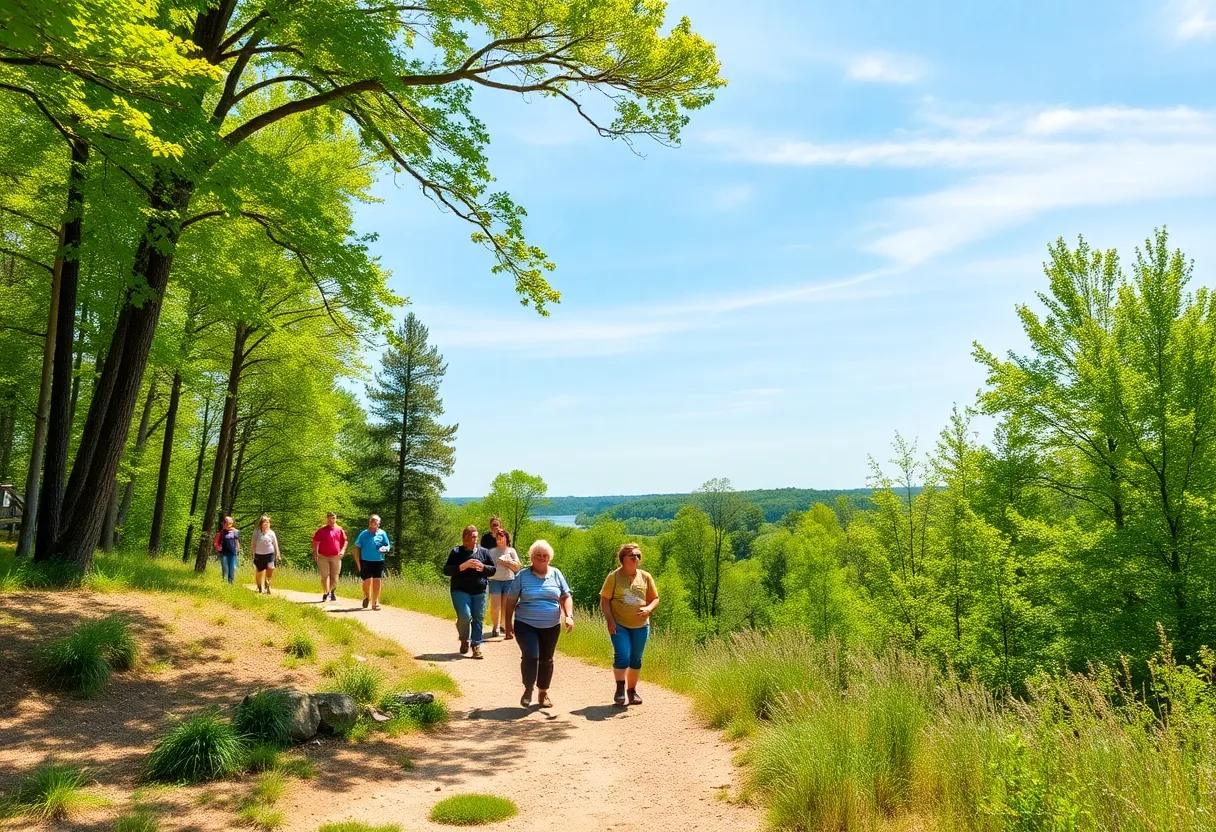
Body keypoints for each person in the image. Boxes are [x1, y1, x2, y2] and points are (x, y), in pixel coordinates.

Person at [505, 540, 574, 709]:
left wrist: (569, 616)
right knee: (531, 655)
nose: (542, 558)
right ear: (532, 558)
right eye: (538, 555)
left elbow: (566, 596)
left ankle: (543, 693)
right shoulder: (522, 575)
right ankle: (528, 688)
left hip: (551, 626)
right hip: (525, 623)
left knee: (547, 659)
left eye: (545, 556)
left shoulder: (556, 574)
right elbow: (511, 600)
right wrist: (507, 622)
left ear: (549, 558)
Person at [600, 542, 659, 706]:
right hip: (619, 624)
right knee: (623, 655)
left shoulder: (645, 576)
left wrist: (648, 608)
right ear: (623, 559)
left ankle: (632, 692)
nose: (636, 558)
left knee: (636, 659)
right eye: (632, 555)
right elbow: (604, 600)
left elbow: (655, 598)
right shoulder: (614, 577)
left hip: (641, 626)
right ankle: (620, 689)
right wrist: (610, 621)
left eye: (638, 556)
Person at [442, 525, 497, 658]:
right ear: (465, 538)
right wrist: (462, 566)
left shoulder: (484, 552)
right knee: (465, 616)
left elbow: (493, 569)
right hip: (460, 590)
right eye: (473, 537)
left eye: (476, 537)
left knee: (478, 617)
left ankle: (476, 645)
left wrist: (483, 567)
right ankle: (464, 639)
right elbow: (446, 570)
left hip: (480, 590)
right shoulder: (456, 552)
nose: (475, 540)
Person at [486, 528, 521, 638]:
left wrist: (507, 562)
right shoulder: (491, 551)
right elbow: (487, 567)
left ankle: (506, 627)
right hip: (494, 580)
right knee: (495, 606)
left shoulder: (511, 551)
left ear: (506, 539)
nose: (500, 541)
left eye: (502, 538)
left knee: (507, 606)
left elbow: (517, 567)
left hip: (509, 581)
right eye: (498, 539)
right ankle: (495, 626)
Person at [353, 514, 391, 611]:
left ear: (379, 523)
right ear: (369, 522)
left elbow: (388, 545)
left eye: (375, 521)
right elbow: (357, 548)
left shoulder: (382, 533)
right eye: (372, 521)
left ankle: (375, 602)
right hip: (366, 561)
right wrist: (358, 563)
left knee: (377, 580)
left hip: (379, 560)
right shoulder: (363, 534)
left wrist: (385, 549)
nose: (373, 523)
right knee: (366, 581)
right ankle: (367, 596)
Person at [312, 511, 347, 602]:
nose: (332, 520)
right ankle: (326, 592)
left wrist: (342, 550)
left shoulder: (339, 530)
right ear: (326, 519)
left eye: (334, 518)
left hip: (336, 556)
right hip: (323, 557)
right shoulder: (321, 530)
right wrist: (315, 553)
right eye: (330, 518)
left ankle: (332, 592)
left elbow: (345, 541)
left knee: (334, 575)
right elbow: (315, 542)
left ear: (336, 519)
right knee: (324, 575)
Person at [252, 514, 281, 594]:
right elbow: (253, 543)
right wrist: (253, 553)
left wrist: (277, 554)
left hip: (269, 554)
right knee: (259, 571)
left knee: (270, 568)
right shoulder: (257, 532)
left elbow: (275, 544)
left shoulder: (271, 533)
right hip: (259, 554)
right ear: (261, 523)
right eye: (265, 522)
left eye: (268, 522)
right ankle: (259, 587)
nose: (266, 524)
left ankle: (268, 586)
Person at [213, 516, 241, 585]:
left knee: (233, 568)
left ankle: (231, 583)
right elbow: (216, 543)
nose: (226, 524)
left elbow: (237, 542)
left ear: (231, 523)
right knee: (225, 569)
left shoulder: (235, 532)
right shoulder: (221, 533)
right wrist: (218, 548)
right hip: (224, 554)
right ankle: (225, 584)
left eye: (228, 523)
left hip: (233, 553)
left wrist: (237, 550)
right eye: (225, 523)